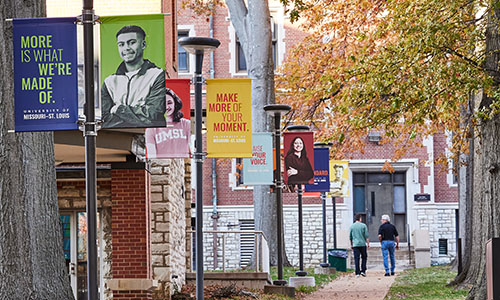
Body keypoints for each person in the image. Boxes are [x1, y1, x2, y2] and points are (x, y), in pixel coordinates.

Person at [101, 25, 166, 128]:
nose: (126, 48)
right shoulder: (109, 82)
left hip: (149, 139)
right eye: (121, 44)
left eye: (132, 43)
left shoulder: (158, 75)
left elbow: (154, 117)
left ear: (143, 44)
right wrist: (136, 116)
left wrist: (118, 110)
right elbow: (104, 120)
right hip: (117, 139)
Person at [145, 89, 191, 158]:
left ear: (175, 103)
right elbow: (151, 157)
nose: (166, 107)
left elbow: (193, 149)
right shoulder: (151, 129)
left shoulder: (187, 124)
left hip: (183, 166)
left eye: (169, 103)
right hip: (162, 167)